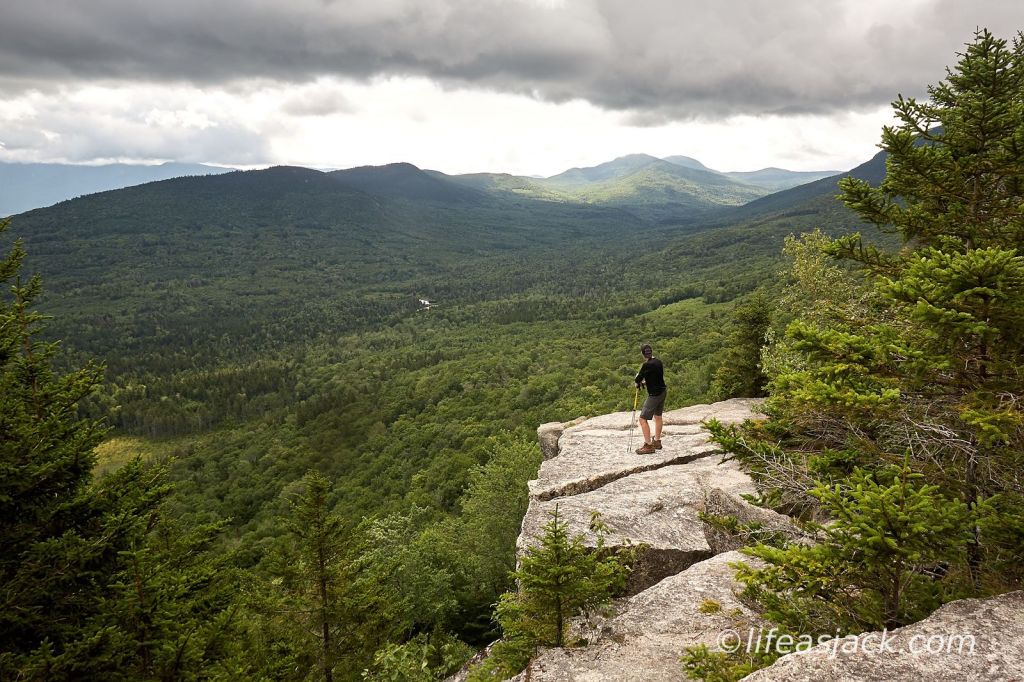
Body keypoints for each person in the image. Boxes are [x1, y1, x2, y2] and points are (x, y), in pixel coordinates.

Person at [634, 344, 666, 454]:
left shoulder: (646, 365)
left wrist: (639, 381)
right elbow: (655, 378)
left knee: (642, 419)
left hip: (654, 395)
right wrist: (645, 382)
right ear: (651, 352)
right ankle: (657, 441)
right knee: (658, 417)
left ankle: (648, 445)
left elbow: (637, 379)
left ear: (643, 354)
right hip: (662, 392)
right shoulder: (658, 362)